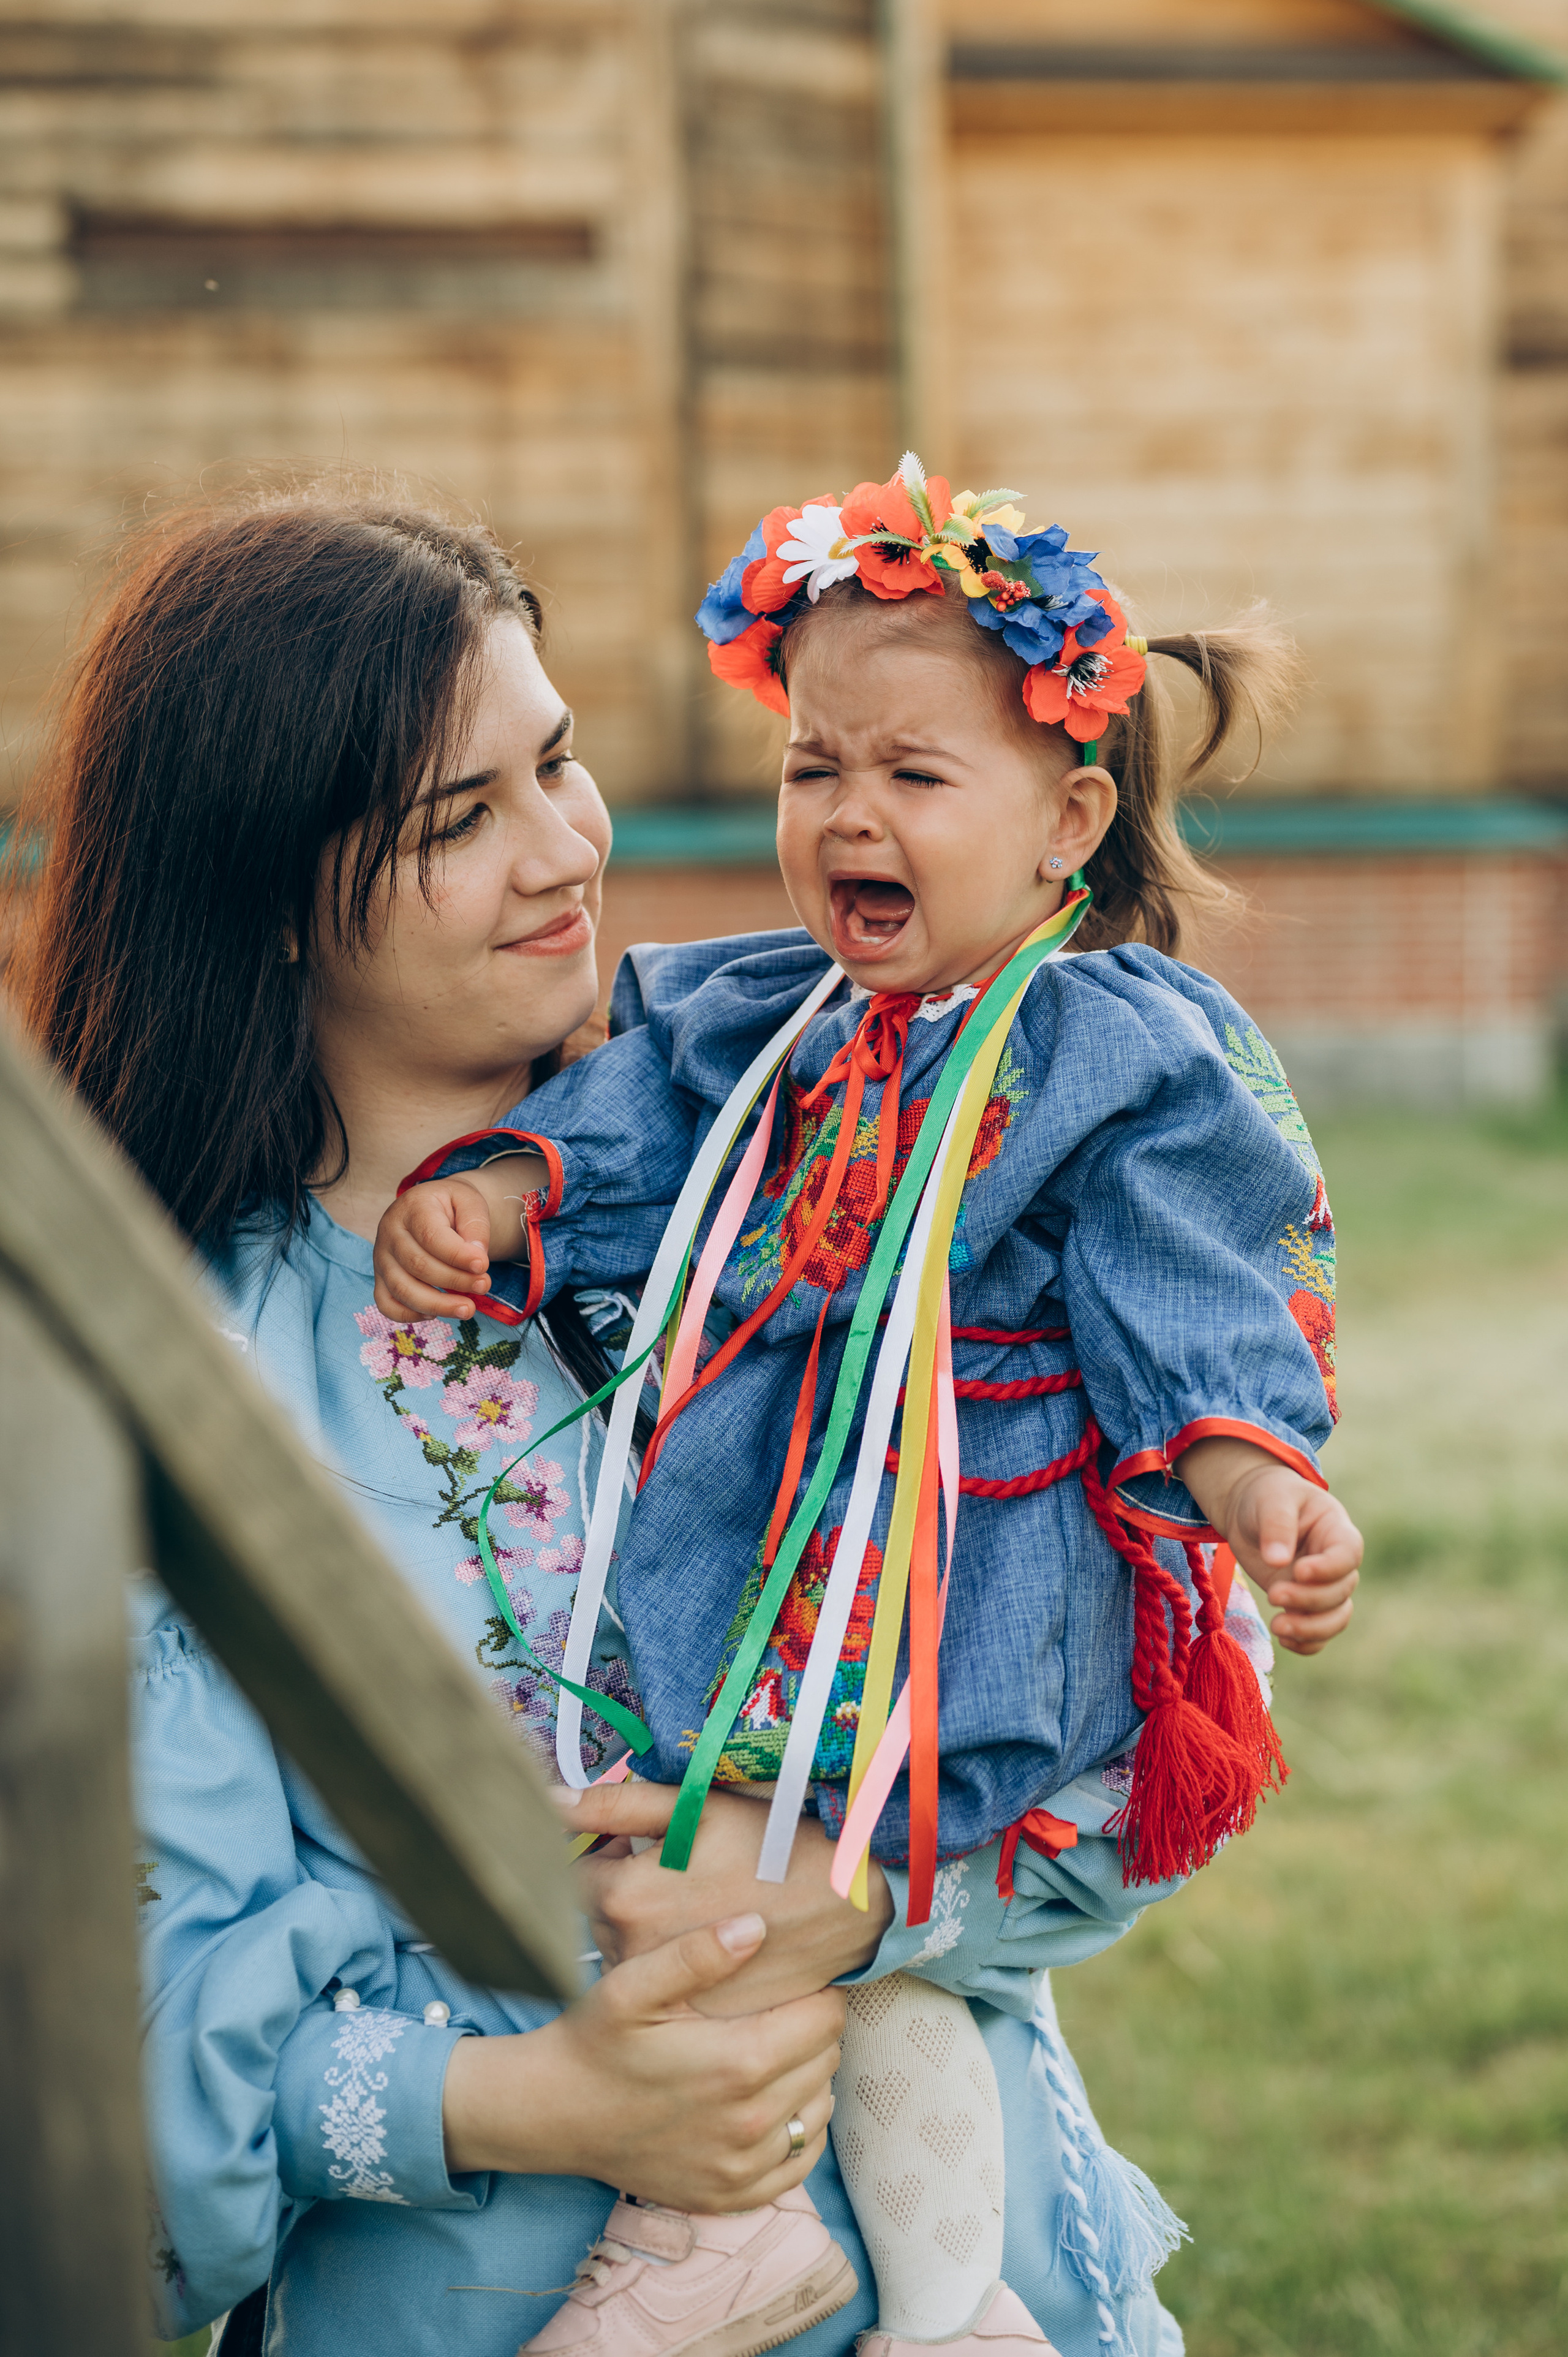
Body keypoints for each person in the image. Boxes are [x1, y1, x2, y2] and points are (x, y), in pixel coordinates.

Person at [21, 485, 1191, 2357]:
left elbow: (1128, 1759)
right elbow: (107, 2036)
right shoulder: (166, 1384)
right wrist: (528, 2102)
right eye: (458, 819)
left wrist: (873, 1900)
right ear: (259, 892)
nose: (567, 851)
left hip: (988, 2291)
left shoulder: (819, 1167)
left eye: (557, 763)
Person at [375, 456, 1362, 2356]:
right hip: (776, 1560)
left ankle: (706, 2237)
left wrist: (1248, 1473)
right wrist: (507, 1193)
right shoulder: (765, 1021)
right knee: (839, 1954)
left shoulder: (1116, 1051)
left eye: (914, 777)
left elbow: (1190, 1279)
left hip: (966, 1580)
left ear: (1070, 816)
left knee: (711, 1895)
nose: (847, 817)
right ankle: (949, 2301)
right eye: (814, 769)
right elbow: (633, 1123)